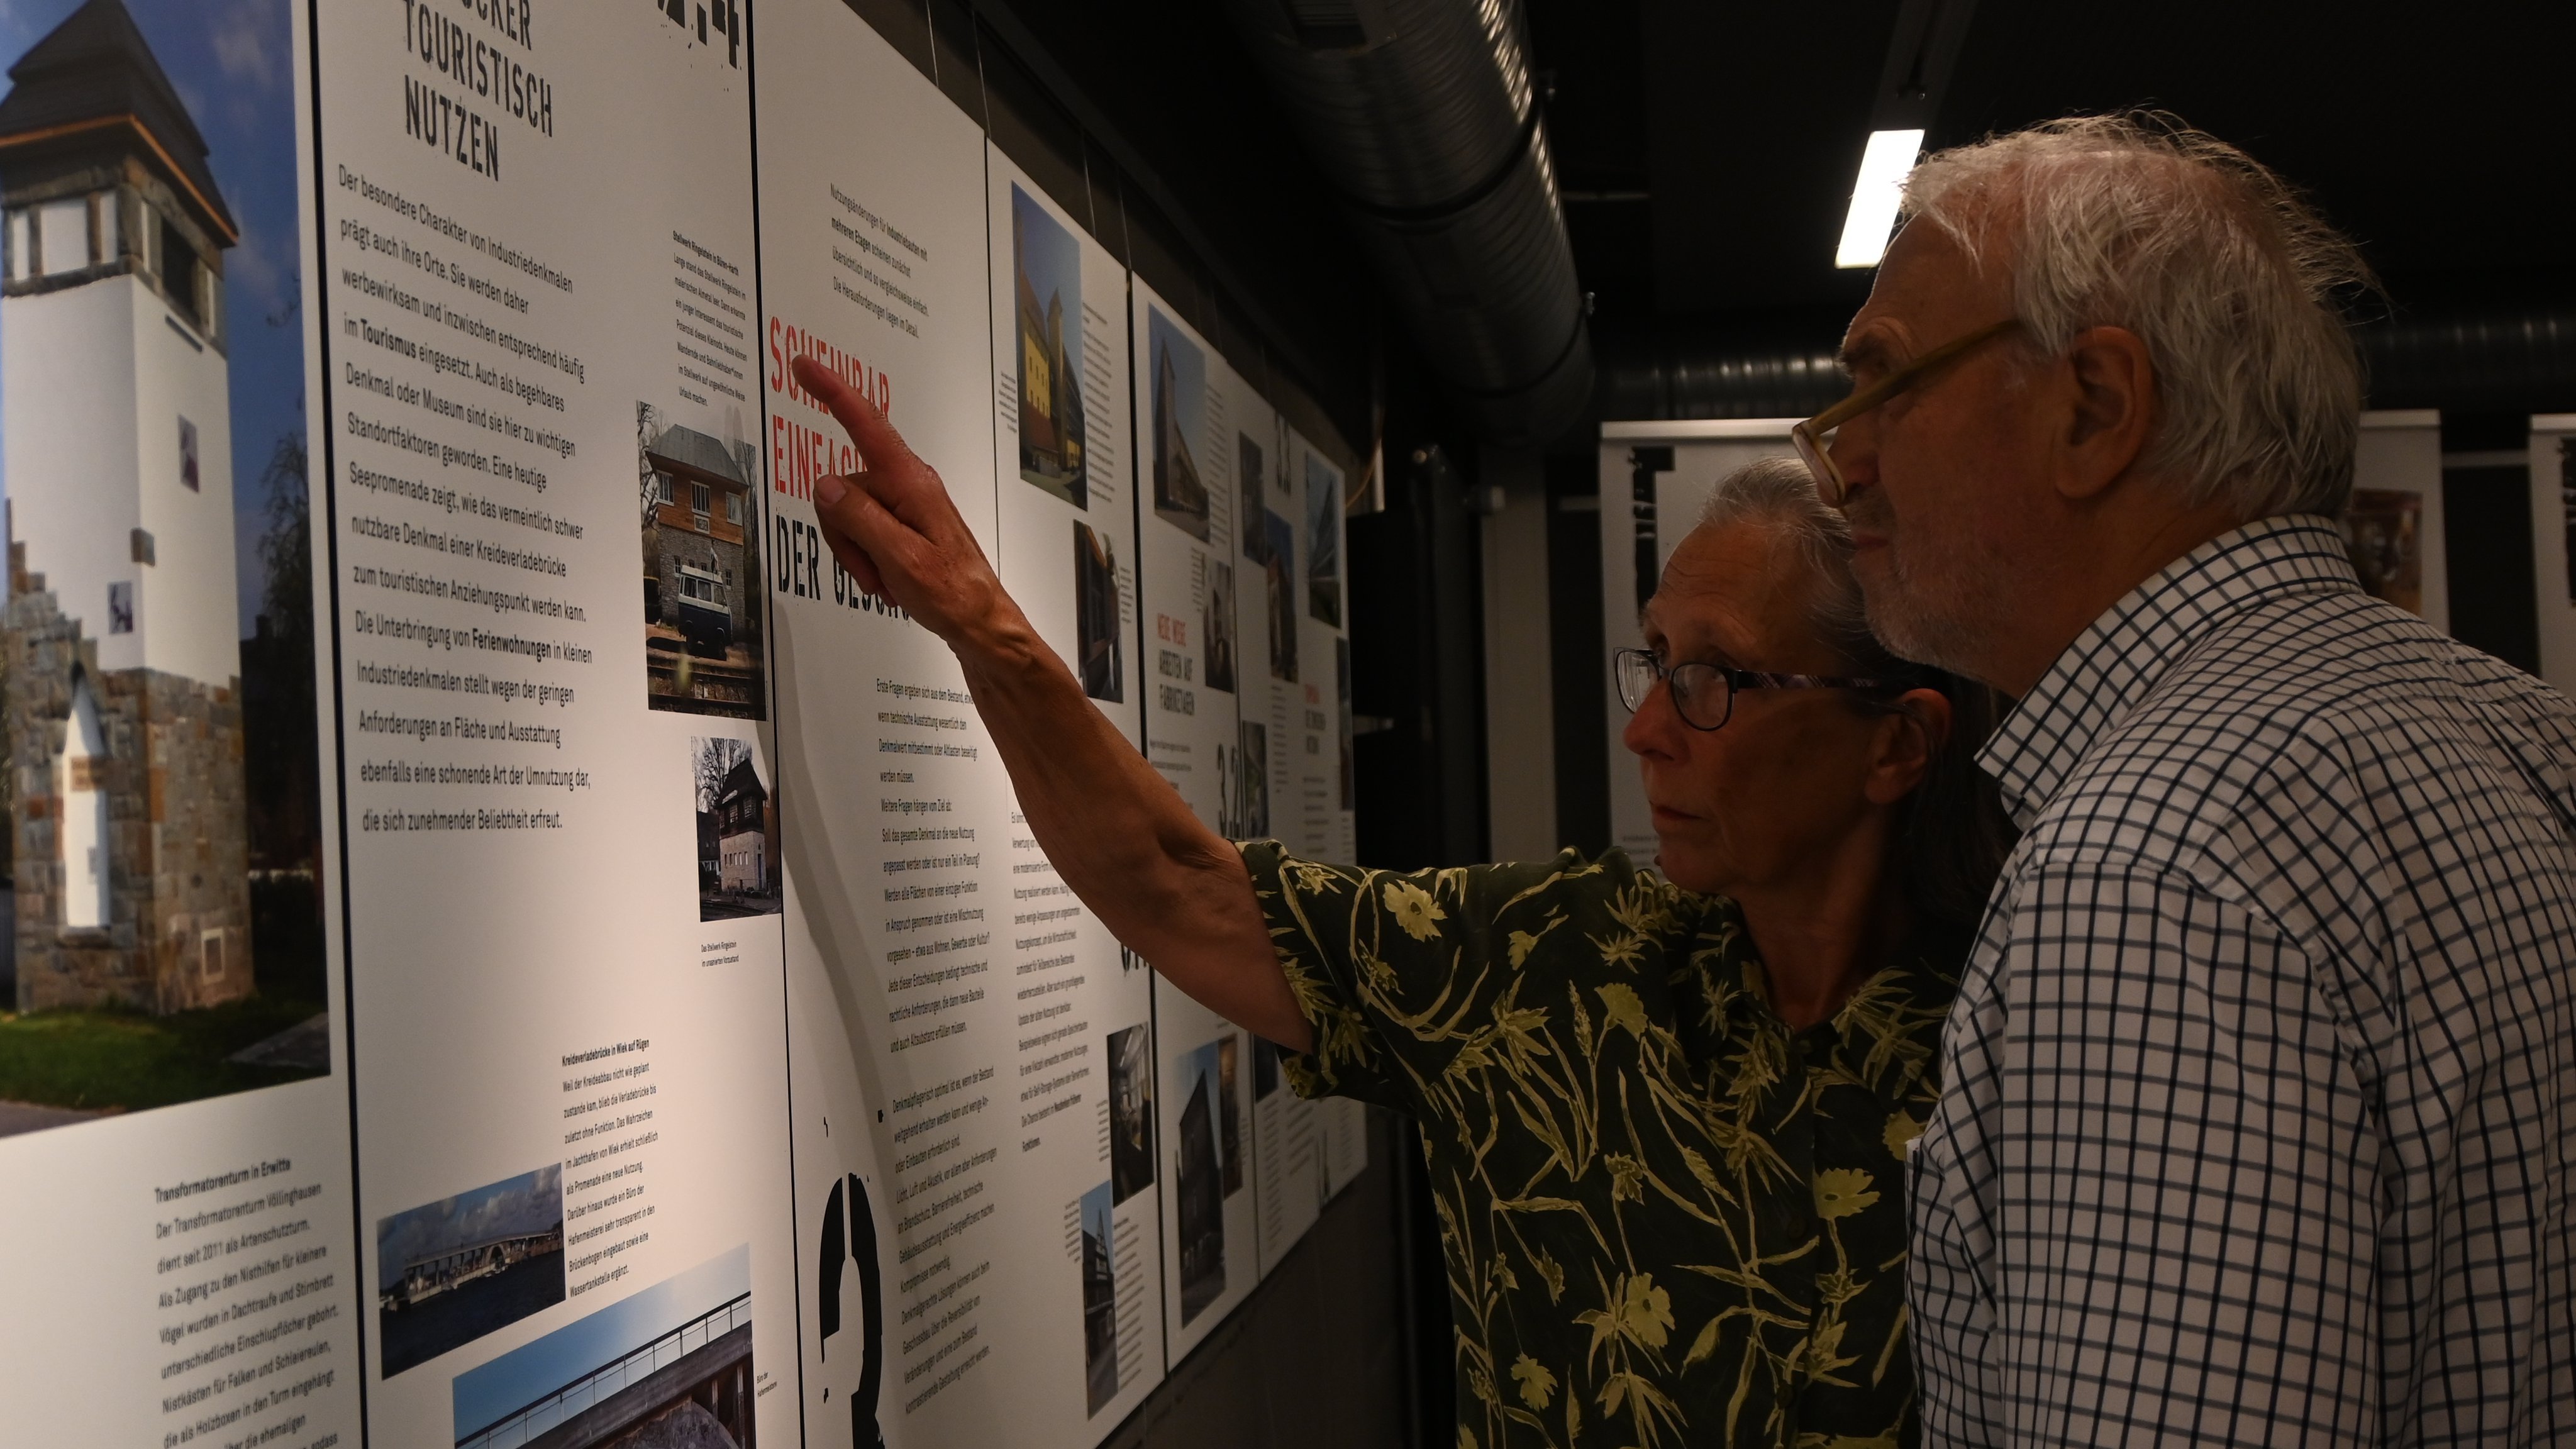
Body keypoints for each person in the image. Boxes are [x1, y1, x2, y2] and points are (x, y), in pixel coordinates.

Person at [787, 365, 2013, 1448]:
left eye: (1710, 680)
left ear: (1895, 747)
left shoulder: (2013, 1058)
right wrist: (978, 621)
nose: (1644, 729)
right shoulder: (1551, 966)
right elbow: (1176, 885)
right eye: (1651, 660)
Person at [1796, 113, 2576, 1445]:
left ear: (2091, 410)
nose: (1838, 459)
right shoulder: (2524, 733)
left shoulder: (2149, 873)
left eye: (1878, 385)